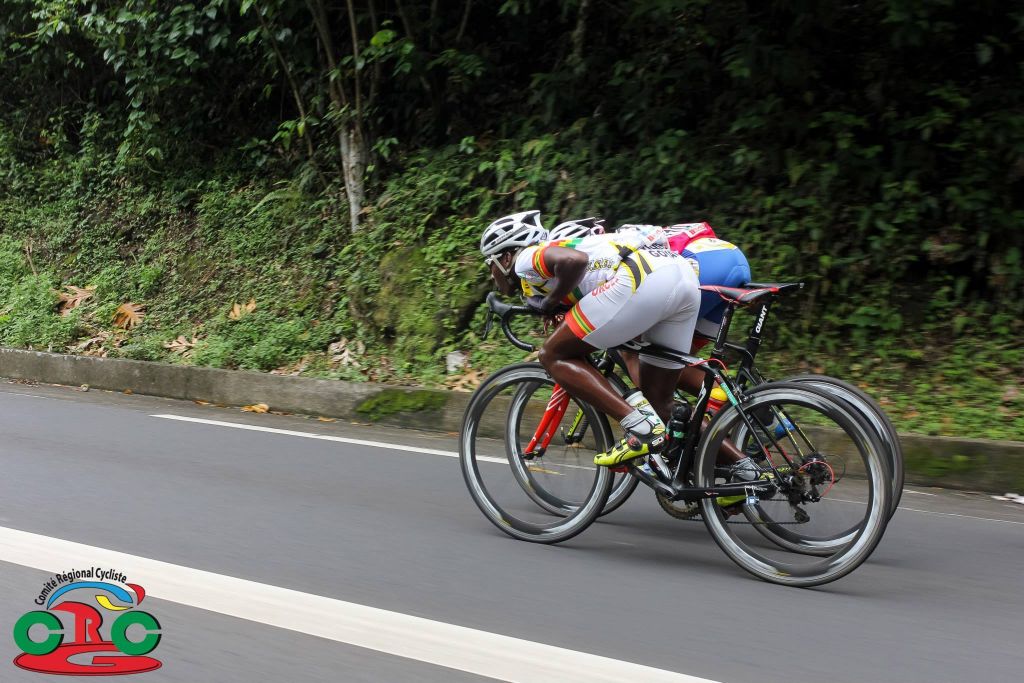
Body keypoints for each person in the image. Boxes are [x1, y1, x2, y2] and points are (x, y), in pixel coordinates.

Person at [481, 210, 701, 467]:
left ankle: (640, 428)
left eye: (490, 264)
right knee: (662, 405)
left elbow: (575, 261)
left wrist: (550, 304)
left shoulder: (525, 259)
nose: (491, 274)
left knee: (551, 355)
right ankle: (745, 470)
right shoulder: (543, 269)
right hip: (680, 274)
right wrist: (553, 303)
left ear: (506, 257)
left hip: (642, 278)